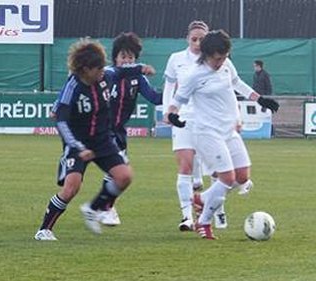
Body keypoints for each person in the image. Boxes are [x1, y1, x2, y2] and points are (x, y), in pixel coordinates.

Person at [34, 38, 152, 240]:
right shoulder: (73, 87)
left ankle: (93, 208)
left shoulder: (107, 75)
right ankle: (44, 230)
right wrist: (77, 146)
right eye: (98, 69)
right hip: (78, 143)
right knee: (72, 188)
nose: (102, 72)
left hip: (103, 140)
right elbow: (61, 121)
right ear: (85, 69)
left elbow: (122, 71)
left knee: (124, 176)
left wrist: (141, 68)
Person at [167, 30, 279, 239]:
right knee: (227, 178)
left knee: (243, 177)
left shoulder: (226, 65)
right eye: (218, 58)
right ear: (207, 55)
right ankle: (204, 221)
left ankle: (202, 198)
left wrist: (260, 99)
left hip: (229, 130)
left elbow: (237, 83)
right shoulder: (194, 75)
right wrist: (172, 115)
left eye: (225, 57)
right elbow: (177, 100)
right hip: (207, 132)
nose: (221, 62)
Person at [97, 32, 162, 226]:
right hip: (100, 129)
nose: (127, 61)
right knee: (118, 169)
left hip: (118, 131)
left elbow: (154, 98)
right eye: (123, 56)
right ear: (115, 57)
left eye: (131, 57)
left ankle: (104, 207)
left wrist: (177, 89)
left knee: (118, 171)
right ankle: (105, 208)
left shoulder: (138, 79)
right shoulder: (107, 74)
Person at [162, 20, 209, 231]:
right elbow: (169, 86)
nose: (198, 43)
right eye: (194, 39)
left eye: (202, 39)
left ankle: (211, 211)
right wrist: (167, 111)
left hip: (208, 119)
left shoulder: (215, 60)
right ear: (187, 39)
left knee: (218, 171)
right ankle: (186, 217)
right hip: (182, 118)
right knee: (184, 167)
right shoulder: (176, 59)